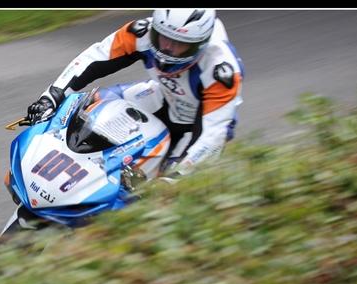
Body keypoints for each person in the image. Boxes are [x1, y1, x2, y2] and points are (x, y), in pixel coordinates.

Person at [26, 9, 244, 179]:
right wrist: (52, 96)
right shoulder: (143, 32)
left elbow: (213, 135)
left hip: (201, 125)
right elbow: (96, 56)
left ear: (200, 44)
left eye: (179, 45)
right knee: (86, 106)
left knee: (168, 184)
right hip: (163, 96)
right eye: (162, 37)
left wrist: (177, 177)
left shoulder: (221, 71)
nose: (166, 49)